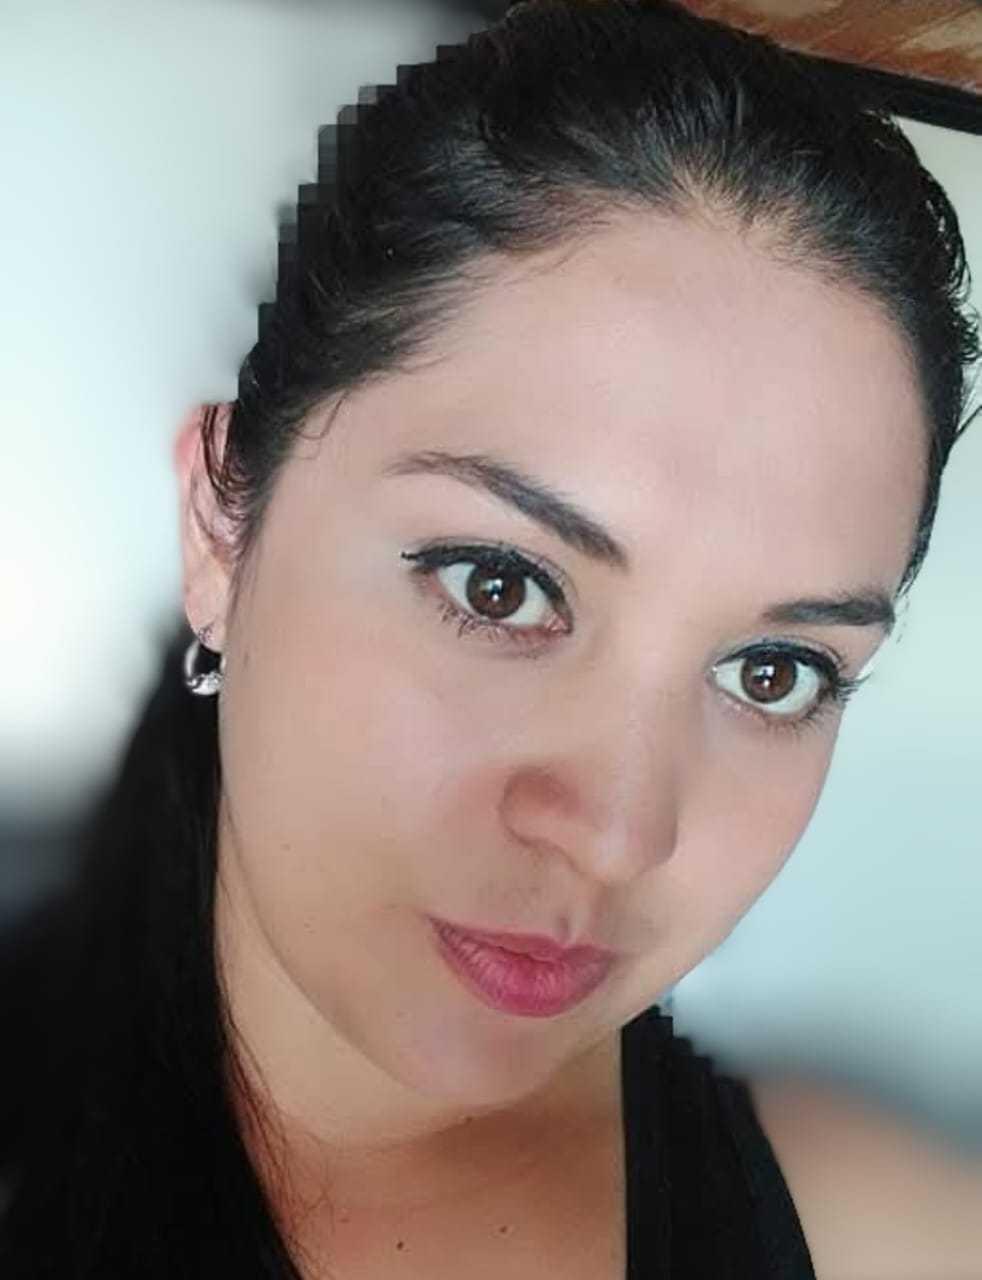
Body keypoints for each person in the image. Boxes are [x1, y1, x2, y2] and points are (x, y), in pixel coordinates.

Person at [1, 0, 980, 1275]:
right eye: (503, 585)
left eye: (773, 671)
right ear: (219, 526)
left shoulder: (883, 1229)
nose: (618, 834)